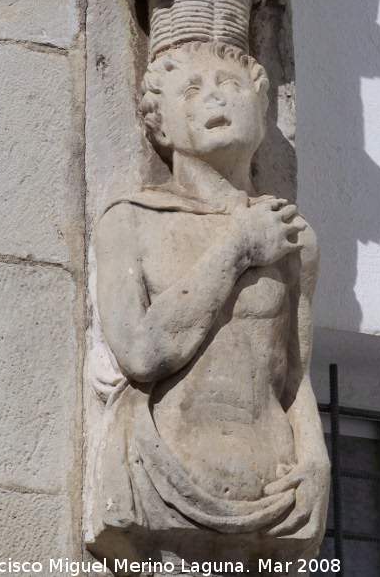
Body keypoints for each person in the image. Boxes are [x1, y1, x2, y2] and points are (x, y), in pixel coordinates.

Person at [93, 41, 329, 549]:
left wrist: (314, 457)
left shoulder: (293, 236)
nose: (215, 99)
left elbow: (295, 373)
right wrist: (239, 247)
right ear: (161, 126)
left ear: (261, 113)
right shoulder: (132, 220)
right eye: (192, 90)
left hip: (273, 481)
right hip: (165, 468)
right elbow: (141, 351)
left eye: (231, 86)